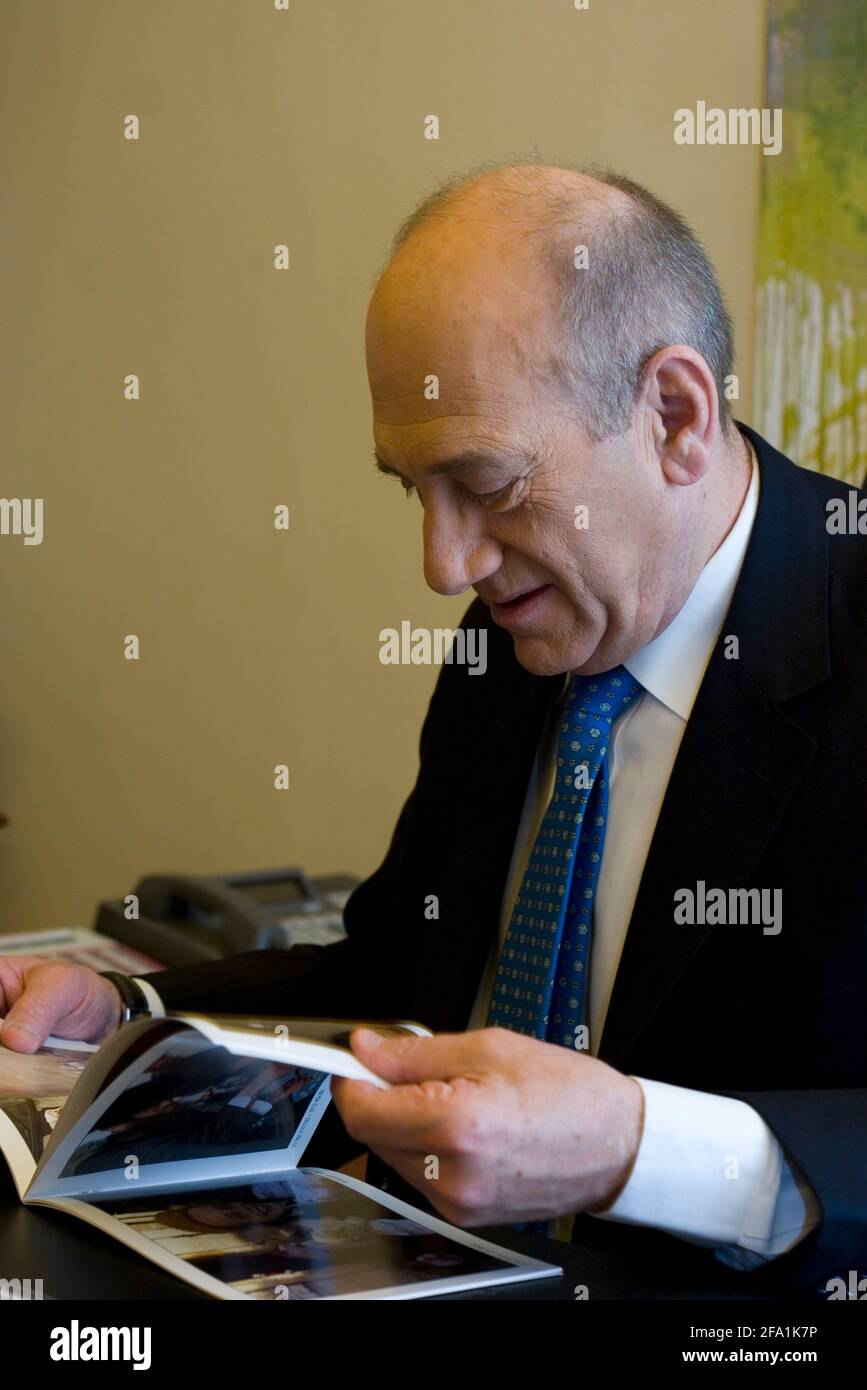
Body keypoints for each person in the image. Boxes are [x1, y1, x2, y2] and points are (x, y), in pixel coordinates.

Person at [1, 161, 864, 1296]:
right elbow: (401, 977)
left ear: (675, 416)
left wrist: (641, 1147)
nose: (443, 565)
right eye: (414, 489)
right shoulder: (506, 641)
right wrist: (129, 1013)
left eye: (489, 483)